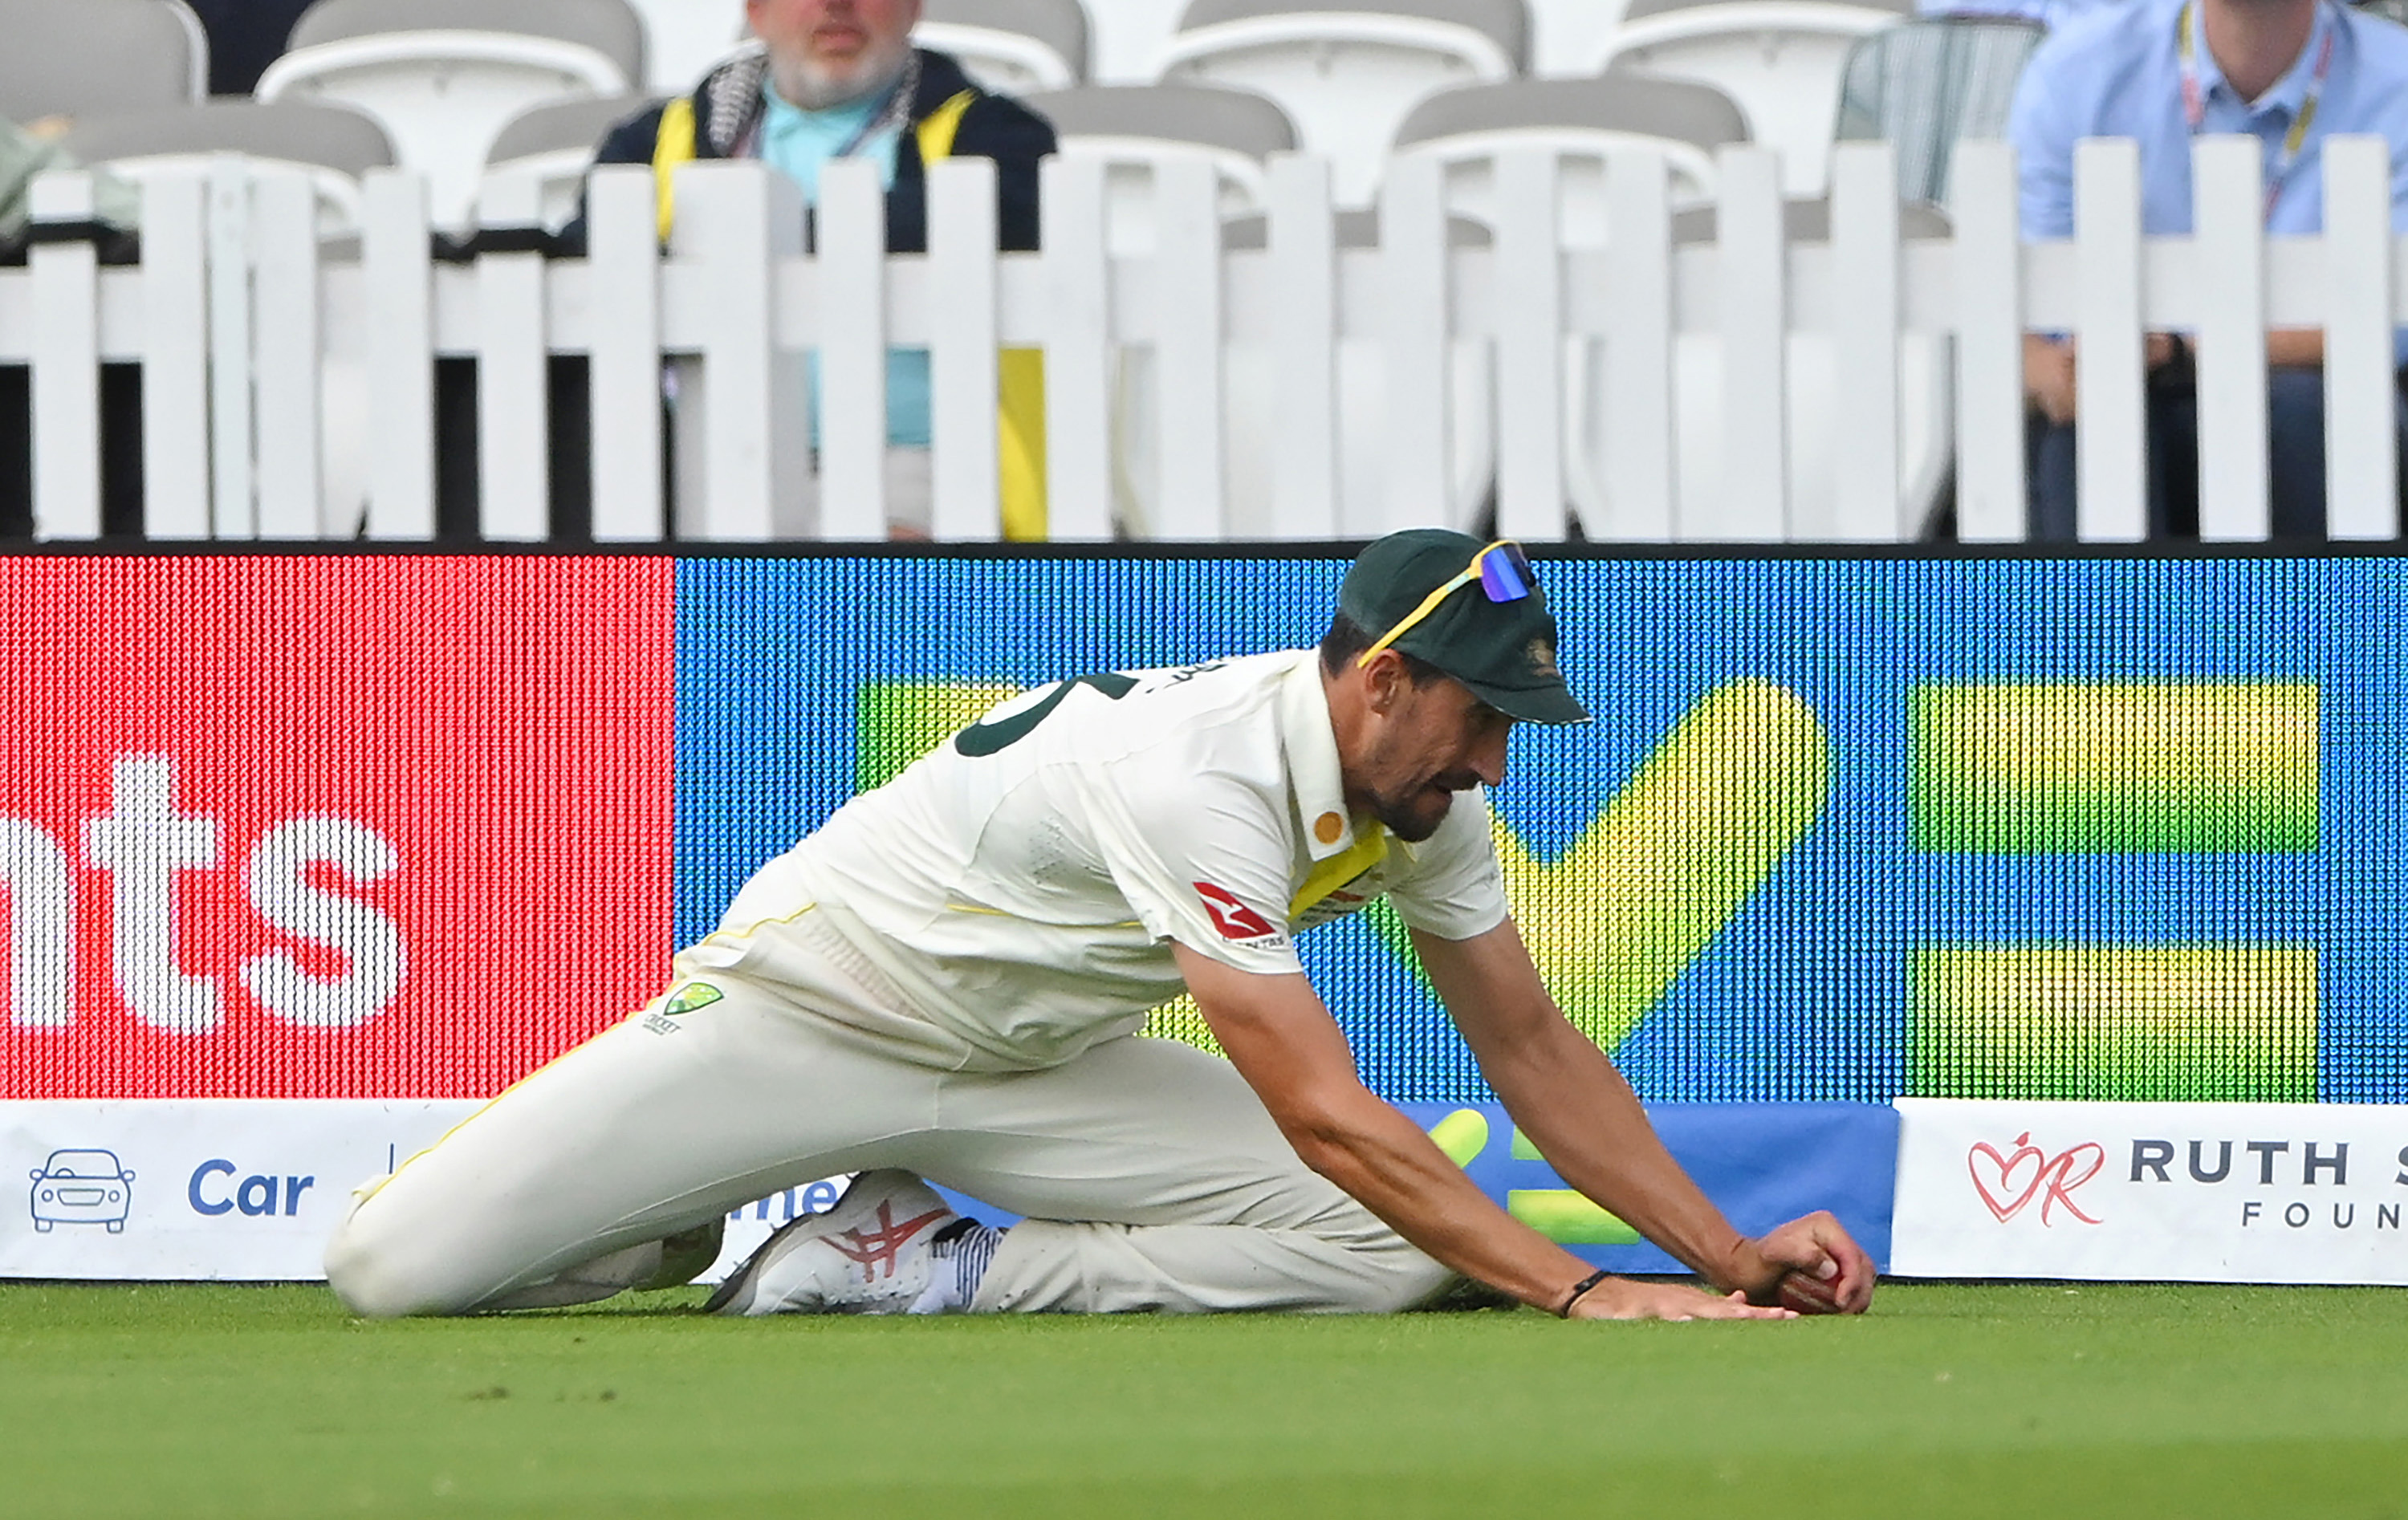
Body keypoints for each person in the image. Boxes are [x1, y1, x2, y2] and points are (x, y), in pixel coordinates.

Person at [323, 530, 1877, 1323]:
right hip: (816, 1010)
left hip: (1037, 1063)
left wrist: (1731, 1258)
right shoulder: (1201, 776)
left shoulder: (1422, 801)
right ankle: (673, 1211)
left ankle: (931, 1260)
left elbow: (1531, 1046)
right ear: (1382, 680)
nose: (1493, 763)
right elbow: (1325, 1107)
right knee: (387, 1270)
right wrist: (1591, 1290)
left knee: (1394, 1250)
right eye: (1483, 716)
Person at [569, 0, 1056, 540]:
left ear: (914, 7)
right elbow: (589, 271)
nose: (836, 6)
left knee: (872, 610)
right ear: (757, 11)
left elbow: (989, 221)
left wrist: (742, 241)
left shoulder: (997, 133)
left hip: (918, 458)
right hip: (699, 463)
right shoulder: (653, 141)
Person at [2009, 0, 2408, 539]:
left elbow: (2397, 320)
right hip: (2127, 386)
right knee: (2092, 425)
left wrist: (2180, 351)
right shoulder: (2077, 72)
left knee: (2300, 412)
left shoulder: (2395, 79)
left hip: (2318, 405)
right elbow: (2045, 294)